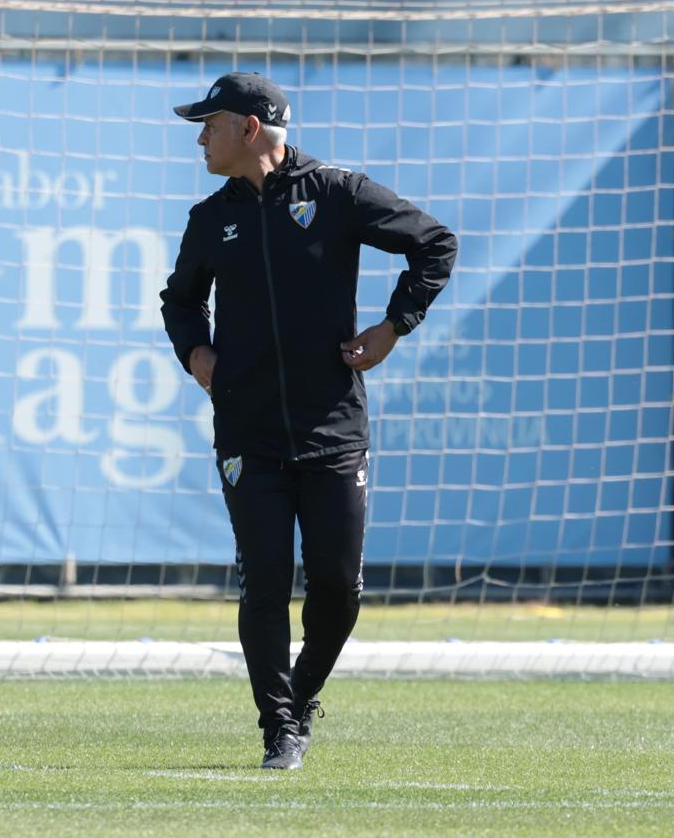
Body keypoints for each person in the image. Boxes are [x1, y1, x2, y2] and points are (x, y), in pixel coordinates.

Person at [160, 72, 458, 770]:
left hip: (332, 431)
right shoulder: (211, 218)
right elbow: (179, 302)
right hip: (247, 432)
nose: (201, 137)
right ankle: (280, 730)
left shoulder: (337, 194)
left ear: (250, 129)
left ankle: (298, 698)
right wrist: (195, 350)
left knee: (336, 589)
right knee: (264, 582)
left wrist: (394, 326)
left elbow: (435, 243)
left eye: (211, 123)